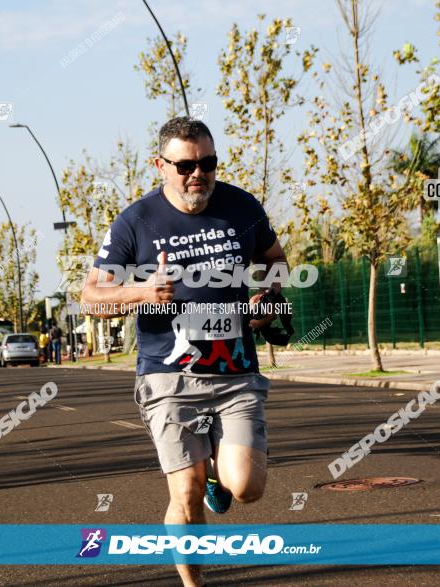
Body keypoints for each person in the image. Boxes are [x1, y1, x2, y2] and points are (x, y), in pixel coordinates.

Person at [81, 117, 287, 587]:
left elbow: (275, 260)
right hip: (168, 377)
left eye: (208, 163)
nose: (199, 174)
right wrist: (141, 289)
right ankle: (193, 584)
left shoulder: (241, 207)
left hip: (236, 371)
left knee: (248, 489)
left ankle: (220, 472)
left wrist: (271, 298)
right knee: (186, 490)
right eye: (186, 165)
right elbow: (90, 294)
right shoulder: (136, 221)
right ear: (161, 165)